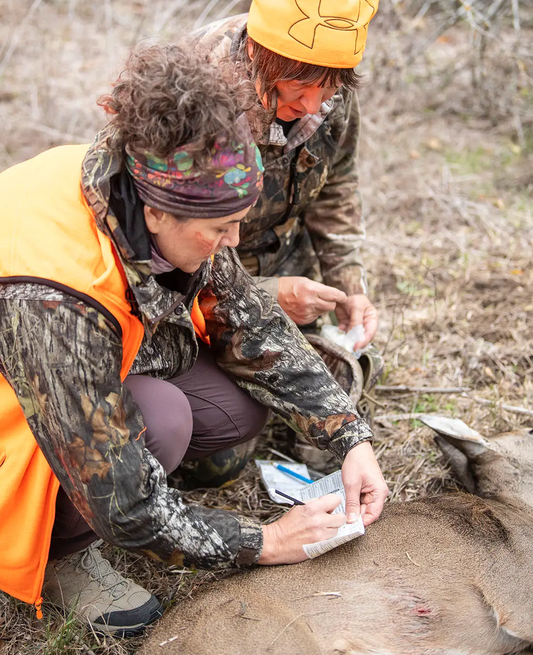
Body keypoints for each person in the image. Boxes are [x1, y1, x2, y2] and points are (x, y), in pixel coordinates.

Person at [0, 43, 388, 637]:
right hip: (24, 399)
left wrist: (349, 438)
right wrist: (266, 541)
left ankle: (141, 488)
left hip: (74, 365)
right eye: (219, 229)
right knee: (161, 420)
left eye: (238, 222)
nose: (232, 241)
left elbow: (252, 320)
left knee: (231, 406)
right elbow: (123, 500)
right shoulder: (56, 296)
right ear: (157, 215)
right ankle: (59, 552)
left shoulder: (158, 178)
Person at [195, 0, 380, 352]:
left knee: (345, 368)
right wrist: (266, 292)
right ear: (259, 54)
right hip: (199, 292)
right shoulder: (195, 90)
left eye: (328, 89)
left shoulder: (328, 79)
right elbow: (164, 248)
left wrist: (350, 286)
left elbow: (337, 182)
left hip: (294, 272)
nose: (313, 106)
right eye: (298, 87)